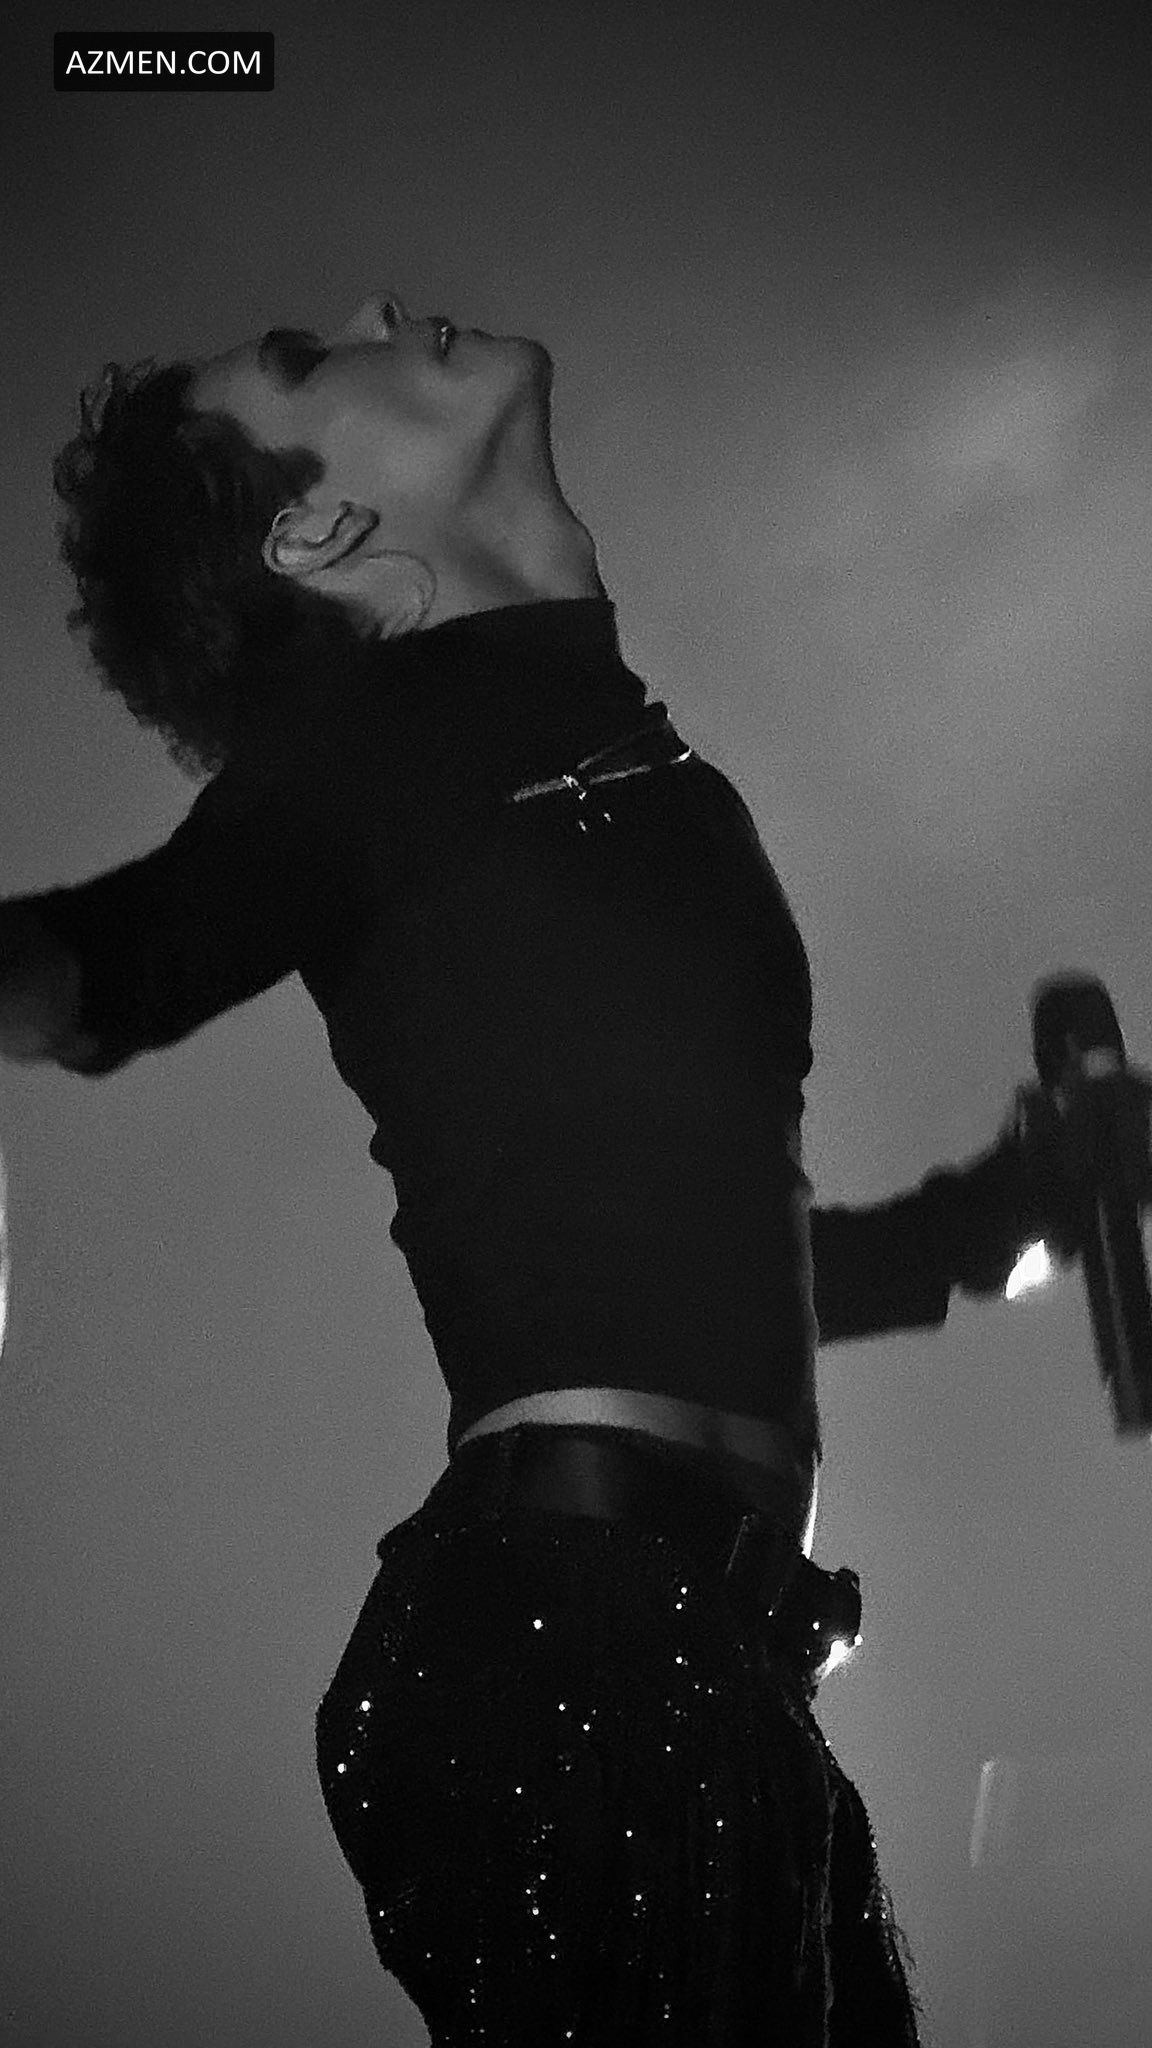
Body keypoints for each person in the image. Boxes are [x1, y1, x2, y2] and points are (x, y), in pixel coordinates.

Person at [2, 290, 1146, 2045]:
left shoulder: (625, 759)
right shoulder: (364, 757)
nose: (373, 310)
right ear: (319, 532)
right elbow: (106, 963)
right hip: (570, 1661)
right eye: (305, 360)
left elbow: (687, 1252)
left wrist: (1024, 1208)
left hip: (706, 1671)